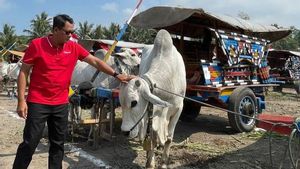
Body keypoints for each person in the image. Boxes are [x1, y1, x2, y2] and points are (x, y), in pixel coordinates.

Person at [13, 14, 133, 169]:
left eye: (72, 32)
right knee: (30, 143)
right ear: (55, 30)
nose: (70, 36)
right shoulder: (37, 45)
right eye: (67, 32)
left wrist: (117, 75)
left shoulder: (73, 47)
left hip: (61, 103)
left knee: (58, 145)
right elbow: (23, 72)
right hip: (38, 102)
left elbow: (96, 61)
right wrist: (21, 101)